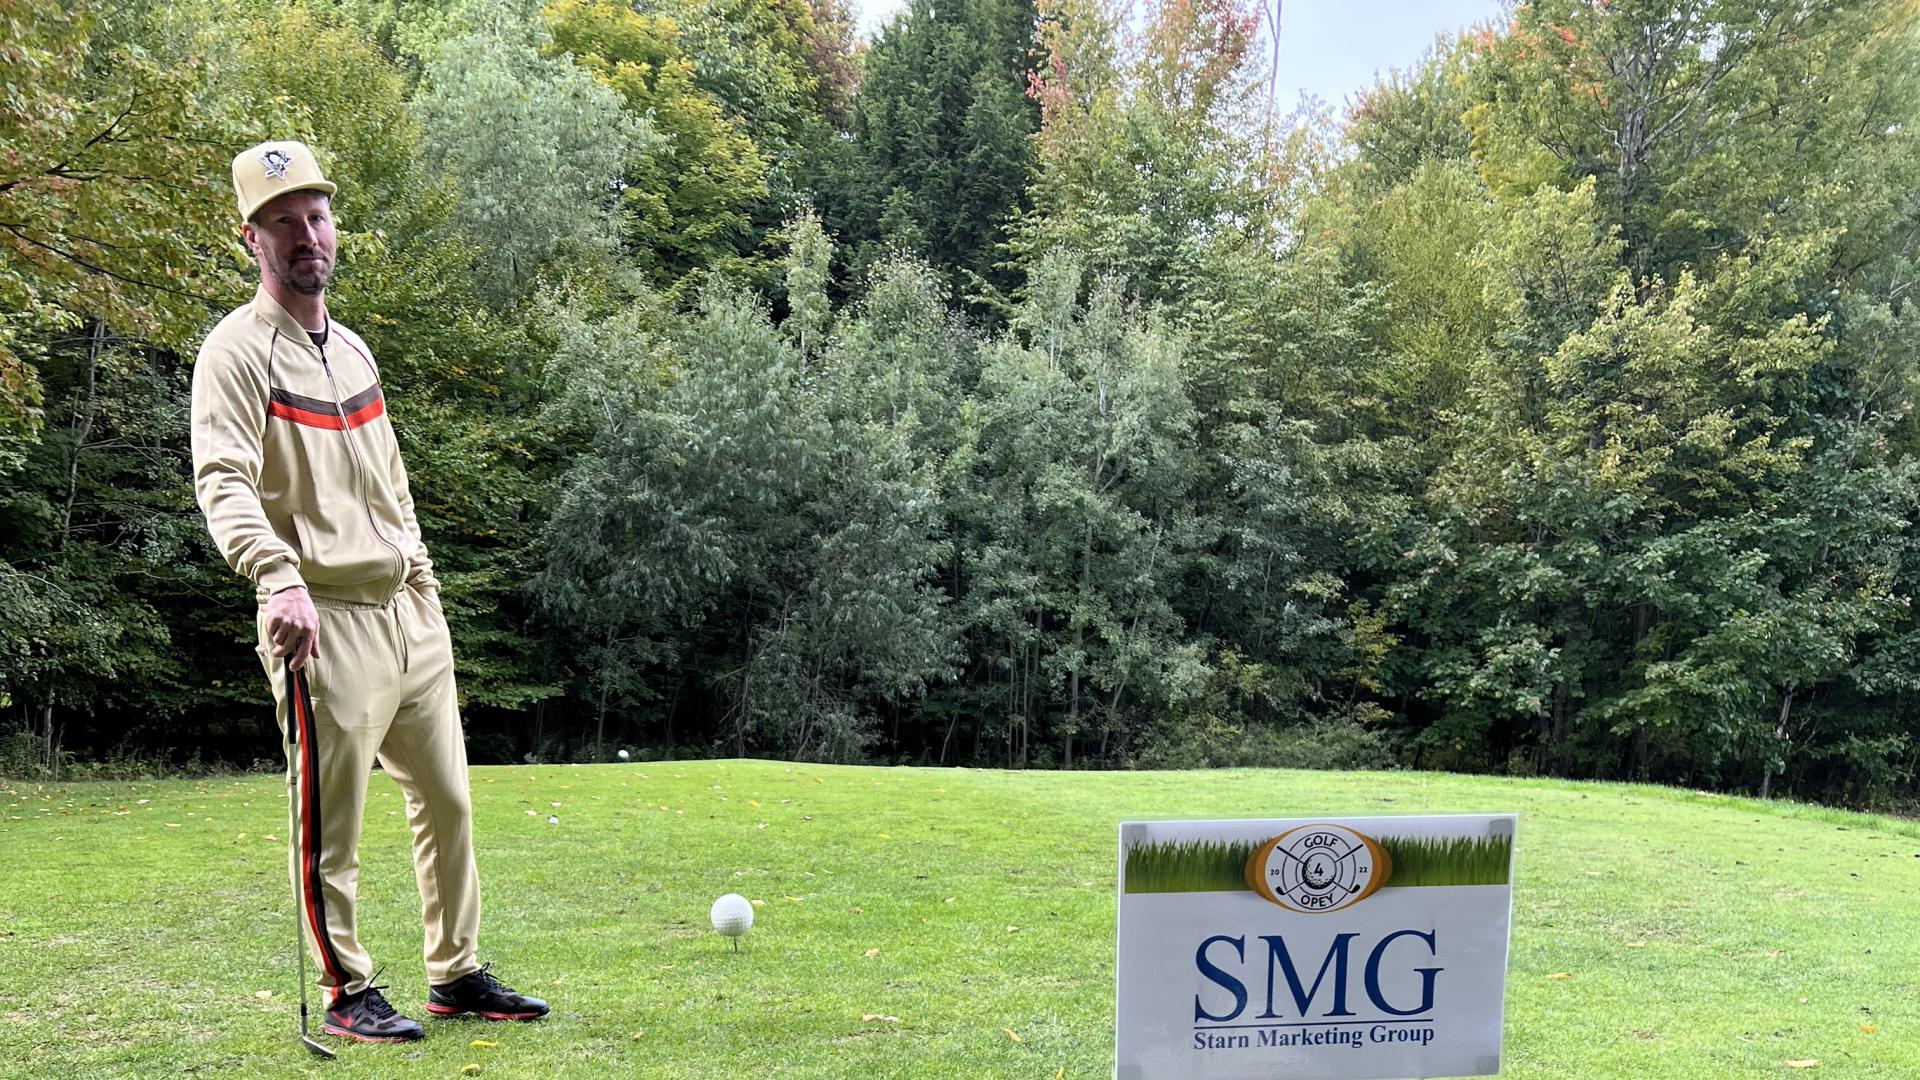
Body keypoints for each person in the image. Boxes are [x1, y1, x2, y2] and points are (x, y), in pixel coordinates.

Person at [190, 140, 548, 1044]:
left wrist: (422, 579)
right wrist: (276, 577)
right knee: (332, 823)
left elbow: (392, 483)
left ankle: (456, 974)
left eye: (316, 217)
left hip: (407, 612)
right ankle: (347, 990)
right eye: (283, 222)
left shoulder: (352, 349)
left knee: (448, 801)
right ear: (251, 239)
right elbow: (223, 480)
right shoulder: (235, 353)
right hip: (322, 616)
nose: (306, 235)